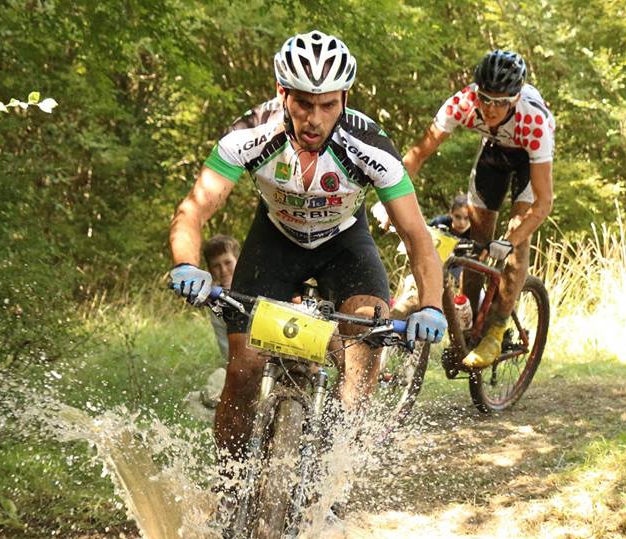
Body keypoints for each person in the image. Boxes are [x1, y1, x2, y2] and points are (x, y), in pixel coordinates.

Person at [167, 30, 445, 462]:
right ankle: (230, 481)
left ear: (345, 98)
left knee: (364, 346)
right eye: (303, 103)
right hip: (274, 242)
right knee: (243, 368)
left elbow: (416, 236)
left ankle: (331, 472)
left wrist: (431, 305)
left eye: (328, 104)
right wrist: (187, 265)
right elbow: (194, 210)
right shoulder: (249, 132)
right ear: (282, 93)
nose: (315, 118)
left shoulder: (371, 146)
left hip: (345, 243)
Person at [401, 50, 554, 368]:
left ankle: (496, 331)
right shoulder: (462, 103)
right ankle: (468, 323)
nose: (491, 107)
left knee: (515, 239)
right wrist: (391, 203)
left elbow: (543, 203)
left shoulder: (535, 121)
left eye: (502, 101)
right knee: (475, 245)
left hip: (528, 160)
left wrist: (511, 240)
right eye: (485, 98)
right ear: (476, 91)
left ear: (516, 98)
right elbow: (417, 155)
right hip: (494, 155)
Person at [197, 235, 240, 408]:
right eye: (216, 266)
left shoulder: (258, 287)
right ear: (210, 271)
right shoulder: (216, 303)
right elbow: (227, 350)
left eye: (227, 262)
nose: (223, 270)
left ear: (239, 260)